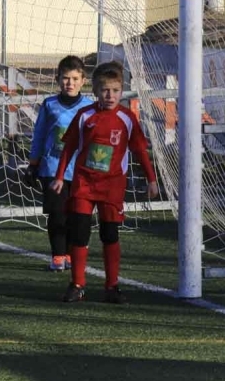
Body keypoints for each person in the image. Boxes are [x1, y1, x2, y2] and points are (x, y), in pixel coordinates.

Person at [50, 60, 159, 304]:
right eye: (105, 90)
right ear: (96, 91)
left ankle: (112, 286)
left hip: (112, 187)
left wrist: (151, 179)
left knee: (110, 235)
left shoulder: (127, 118)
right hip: (84, 185)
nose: (110, 95)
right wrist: (59, 177)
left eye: (115, 91)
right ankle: (77, 285)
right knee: (79, 233)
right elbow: (68, 148)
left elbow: (140, 151)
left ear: (122, 90)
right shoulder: (85, 115)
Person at [25, 55, 93, 272]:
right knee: (57, 215)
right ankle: (57, 255)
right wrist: (33, 165)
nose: (69, 83)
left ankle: (73, 253)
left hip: (80, 172)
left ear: (83, 80)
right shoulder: (49, 105)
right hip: (53, 170)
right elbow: (39, 136)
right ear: (57, 79)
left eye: (74, 78)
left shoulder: (90, 107)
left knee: (78, 216)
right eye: (65, 78)